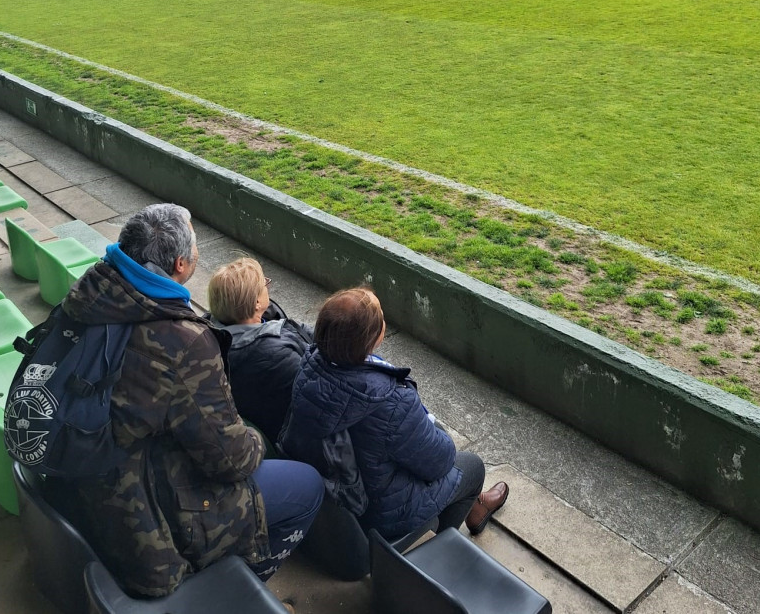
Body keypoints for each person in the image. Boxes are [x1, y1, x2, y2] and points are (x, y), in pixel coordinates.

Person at [54, 204, 323, 597]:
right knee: (307, 484)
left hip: (91, 484)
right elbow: (232, 460)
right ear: (181, 264)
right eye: (196, 246)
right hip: (145, 521)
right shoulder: (183, 341)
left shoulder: (88, 296)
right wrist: (258, 440)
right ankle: (237, 591)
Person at [279, 287, 508, 542]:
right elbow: (441, 463)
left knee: (423, 437)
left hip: (342, 493)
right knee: (471, 465)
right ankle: (444, 546)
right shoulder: (392, 400)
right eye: (381, 319)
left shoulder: (307, 365)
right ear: (375, 337)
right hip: (380, 514)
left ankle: (474, 506)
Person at [207, 257, 311, 446]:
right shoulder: (280, 356)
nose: (267, 287)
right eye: (264, 284)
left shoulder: (206, 337)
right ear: (256, 302)